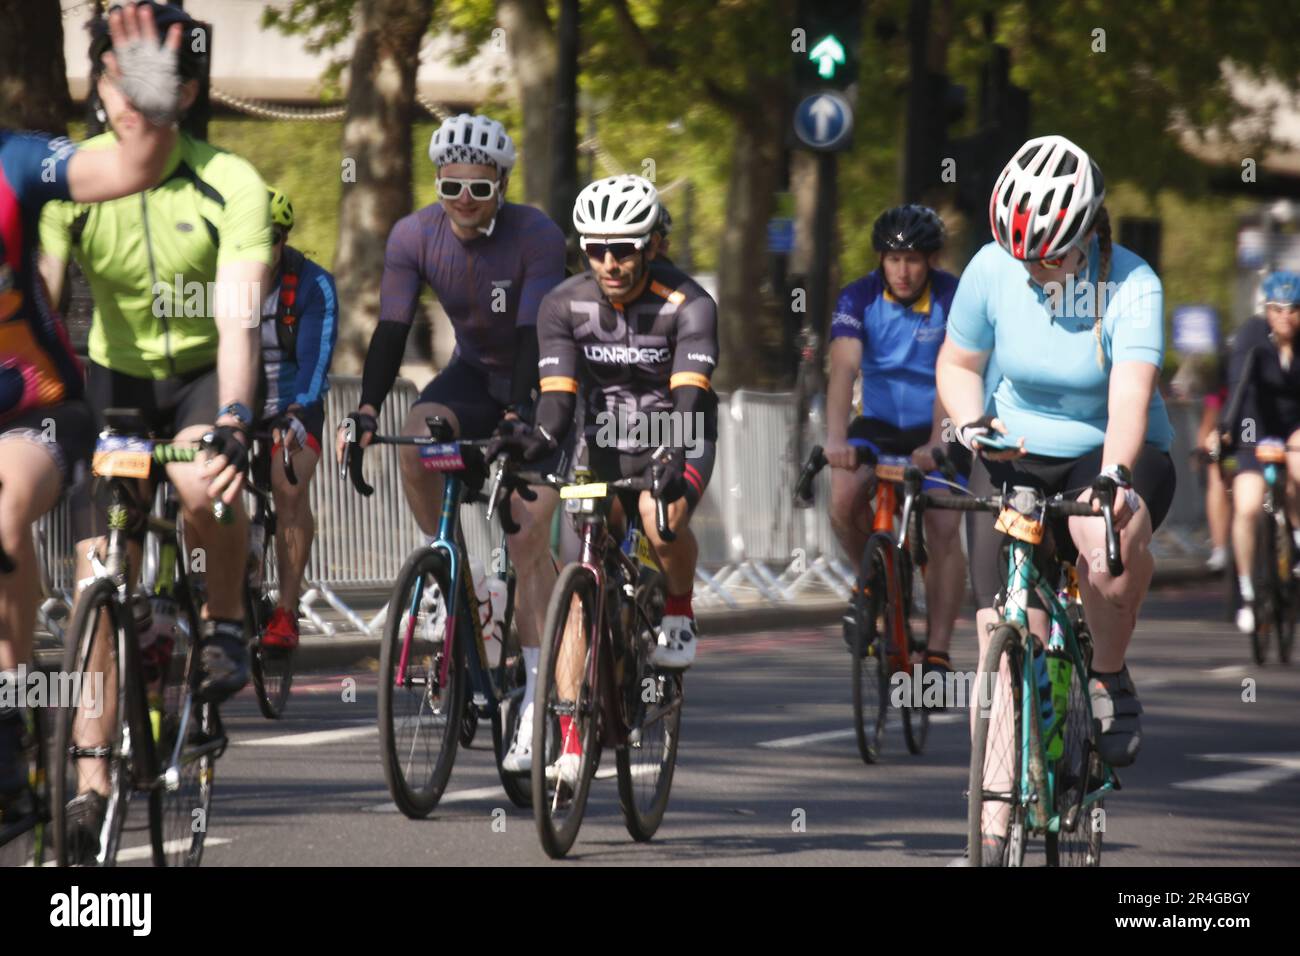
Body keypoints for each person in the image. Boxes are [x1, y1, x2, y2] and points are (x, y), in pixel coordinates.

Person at [38, 0, 272, 852]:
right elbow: (43, 291)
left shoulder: (231, 182)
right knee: (99, 569)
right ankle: (93, 779)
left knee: (199, 482)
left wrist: (237, 419)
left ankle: (226, 620)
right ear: (97, 87)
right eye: (114, 75)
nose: (130, 96)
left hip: (202, 374)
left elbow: (241, 322)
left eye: (152, 78)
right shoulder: (70, 178)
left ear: (187, 91)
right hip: (113, 379)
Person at [936, 134, 1175, 863]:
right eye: (1018, 254)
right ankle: (993, 829)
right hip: (1012, 452)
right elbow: (958, 362)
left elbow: (1131, 401)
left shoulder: (1132, 284)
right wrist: (972, 425)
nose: (1030, 269)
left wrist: (1114, 479)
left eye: (1045, 255)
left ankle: (1107, 675)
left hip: (1109, 449)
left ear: (1084, 238)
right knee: (1001, 628)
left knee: (1104, 548)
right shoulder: (991, 267)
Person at [337, 113, 567, 773]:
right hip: (471, 374)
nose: (465, 200)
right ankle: (446, 573)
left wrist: (522, 418)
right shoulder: (413, 233)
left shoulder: (536, 235)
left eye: (479, 187)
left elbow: (533, 338)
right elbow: (390, 328)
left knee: (525, 538)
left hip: (542, 376)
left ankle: (536, 696)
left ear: (502, 182)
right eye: (451, 186)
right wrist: (367, 411)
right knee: (417, 444)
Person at [0, 3, 182, 818]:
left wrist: (141, 86)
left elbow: (137, 162)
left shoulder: (19, 161)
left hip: (37, 412)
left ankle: (25, 729)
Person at [492, 174, 719, 786]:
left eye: (623, 249)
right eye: (596, 250)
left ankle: (677, 608)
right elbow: (558, 406)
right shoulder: (562, 304)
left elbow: (691, 397)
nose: (610, 263)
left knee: (658, 518)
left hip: (680, 431)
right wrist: (531, 440)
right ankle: (569, 741)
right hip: (605, 438)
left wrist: (672, 452)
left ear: (650, 246)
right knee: (575, 579)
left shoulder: (688, 304)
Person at [825, 204, 969, 688]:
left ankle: (940, 651)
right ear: (880, 261)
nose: (902, 271)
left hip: (942, 423)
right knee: (843, 498)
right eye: (892, 259)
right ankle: (872, 581)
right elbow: (844, 369)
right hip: (881, 423)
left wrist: (935, 443)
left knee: (943, 523)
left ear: (931, 260)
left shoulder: (954, 297)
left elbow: (954, 371)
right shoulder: (858, 297)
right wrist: (835, 439)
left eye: (912, 260)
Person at [255, 188, 338, 650]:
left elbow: (315, 364)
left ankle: (286, 612)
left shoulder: (312, 285)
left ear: (285, 239)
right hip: (237, 403)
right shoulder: (217, 279)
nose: (262, 248)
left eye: (272, 236)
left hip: (293, 404)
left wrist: (298, 416)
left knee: (288, 485)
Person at [1218, 270, 1300, 633]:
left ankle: (1296, 541)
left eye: (1294, 309)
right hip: (1253, 424)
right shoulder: (1252, 335)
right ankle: (1249, 592)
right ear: (1266, 309)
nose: (1285, 316)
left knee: (1298, 469)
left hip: (1294, 423)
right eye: (1277, 308)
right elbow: (1238, 386)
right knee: (1248, 507)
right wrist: (1224, 431)